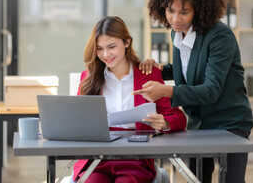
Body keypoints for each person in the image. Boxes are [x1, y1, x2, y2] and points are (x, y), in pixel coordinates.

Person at [132, 0, 253, 183]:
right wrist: (160, 69)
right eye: (170, 10)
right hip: (200, 123)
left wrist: (167, 91)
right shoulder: (177, 32)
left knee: (232, 180)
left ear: (199, 9)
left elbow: (211, 89)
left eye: (184, 12)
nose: (175, 18)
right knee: (197, 178)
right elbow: (188, 70)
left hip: (230, 122)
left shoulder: (219, 36)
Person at [72, 16, 186, 183]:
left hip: (135, 158)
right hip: (97, 159)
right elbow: (76, 119)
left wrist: (164, 123)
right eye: (99, 49)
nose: (106, 55)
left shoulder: (149, 75)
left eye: (111, 47)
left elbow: (178, 118)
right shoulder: (88, 78)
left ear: (126, 42)